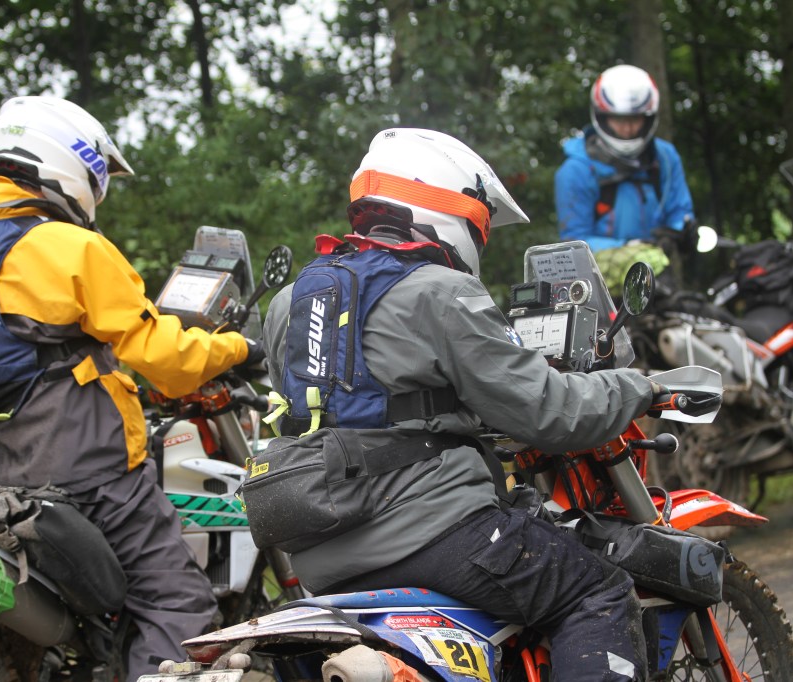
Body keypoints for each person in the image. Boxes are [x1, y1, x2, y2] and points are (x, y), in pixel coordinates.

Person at [261, 128, 665, 681]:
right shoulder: (439, 291)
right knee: (597, 590)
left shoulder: (292, 299)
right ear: (448, 205)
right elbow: (550, 411)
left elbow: (344, 406)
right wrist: (639, 387)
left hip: (321, 552)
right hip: (431, 532)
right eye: (480, 222)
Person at [0, 96, 261, 677]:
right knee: (175, 601)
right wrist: (240, 348)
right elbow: (165, 359)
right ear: (72, 165)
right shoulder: (70, 246)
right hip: (87, 476)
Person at [556, 64, 694, 252]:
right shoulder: (576, 171)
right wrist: (630, 248)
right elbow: (574, 242)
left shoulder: (665, 157)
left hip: (657, 263)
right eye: (619, 119)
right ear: (603, 117)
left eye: (635, 119)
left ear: (648, 118)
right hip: (600, 267)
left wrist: (679, 231)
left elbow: (679, 210)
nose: (628, 128)